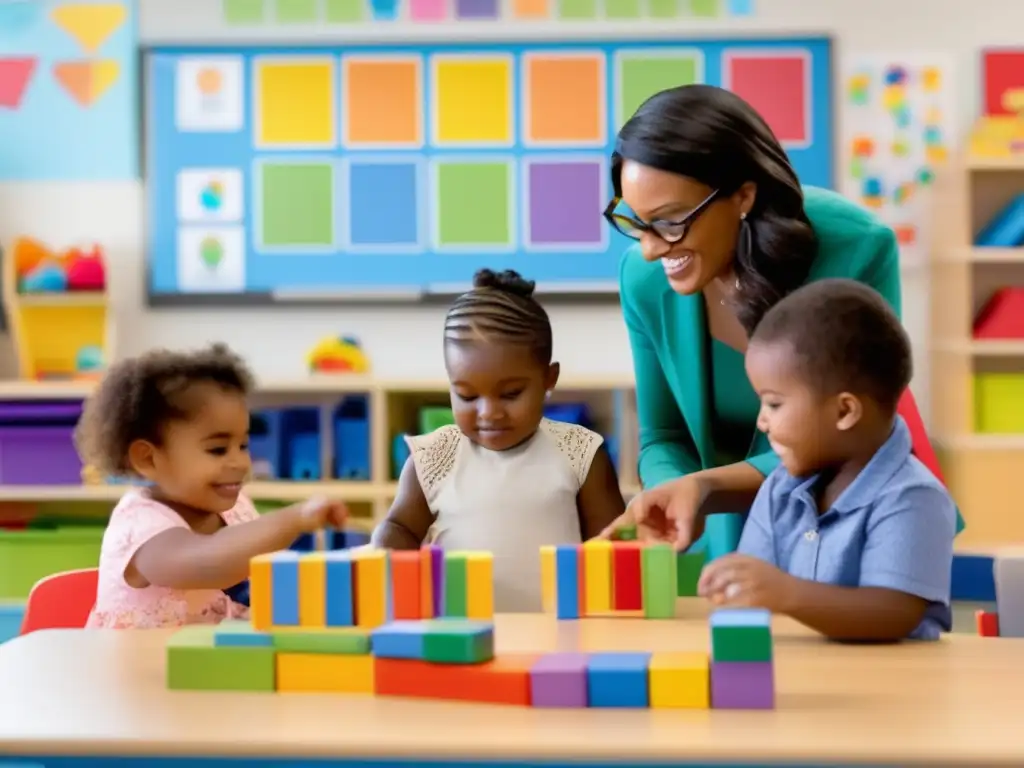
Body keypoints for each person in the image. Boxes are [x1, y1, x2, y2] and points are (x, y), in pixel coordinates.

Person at [598, 83, 963, 546]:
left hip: (856, 523)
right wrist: (674, 487)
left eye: (670, 221)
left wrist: (707, 486)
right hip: (731, 533)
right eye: (635, 221)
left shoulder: (854, 248)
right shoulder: (644, 279)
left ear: (743, 196)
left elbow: (854, 430)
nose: (650, 249)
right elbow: (664, 434)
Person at [695, 279, 956, 641]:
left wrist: (786, 593)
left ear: (845, 411)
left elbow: (893, 613)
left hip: (897, 689)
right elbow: (757, 589)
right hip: (804, 679)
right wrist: (738, 584)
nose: (762, 420)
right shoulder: (779, 489)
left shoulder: (913, 496)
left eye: (774, 403)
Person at [372, 269, 625, 611]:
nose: (488, 412)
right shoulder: (434, 456)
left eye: (510, 394)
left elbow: (611, 546)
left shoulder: (580, 453)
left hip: (560, 634)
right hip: (461, 634)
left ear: (549, 378)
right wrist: (387, 546)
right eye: (466, 395)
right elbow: (401, 526)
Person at [75, 344, 347, 629]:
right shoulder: (140, 525)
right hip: (143, 669)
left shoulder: (236, 506)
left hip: (217, 661)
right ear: (148, 458)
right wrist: (294, 519)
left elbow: (261, 579)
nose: (241, 462)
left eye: (242, 445)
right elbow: (207, 563)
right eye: (218, 449)